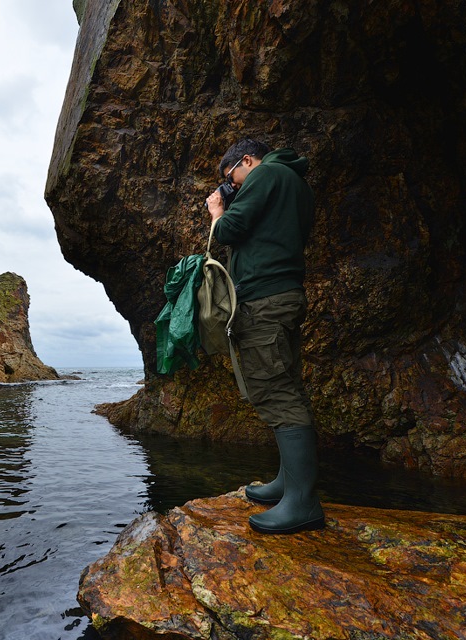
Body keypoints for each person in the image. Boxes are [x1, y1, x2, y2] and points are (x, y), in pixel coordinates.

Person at [205, 138, 324, 535]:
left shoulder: (266, 174)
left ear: (247, 161)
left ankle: (302, 504)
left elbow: (231, 230)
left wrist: (218, 211)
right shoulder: (297, 185)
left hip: (265, 301)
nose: (233, 186)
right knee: (288, 384)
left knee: (274, 390)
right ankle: (287, 483)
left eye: (232, 178)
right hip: (286, 294)